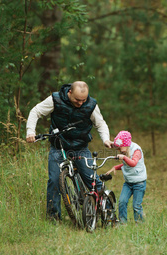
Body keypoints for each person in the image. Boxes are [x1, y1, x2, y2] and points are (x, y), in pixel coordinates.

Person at [26, 81, 113, 221]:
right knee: (54, 180)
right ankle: (53, 218)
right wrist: (31, 132)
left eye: (83, 100)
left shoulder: (91, 104)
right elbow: (35, 112)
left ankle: (108, 213)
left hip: (80, 147)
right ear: (70, 92)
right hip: (58, 146)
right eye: (77, 100)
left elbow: (100, 123)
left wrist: (106, 139)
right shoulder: (56, 99)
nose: (80, 103)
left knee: (93, 179)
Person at [106, 131, 147, 224]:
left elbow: (133, 163)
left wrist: (124, 158)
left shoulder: (136, 150)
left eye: (120, 148)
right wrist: (115, 167)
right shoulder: (125, 150)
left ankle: (140, 224)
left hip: (139, 183)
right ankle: (122, 223)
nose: (119, 150)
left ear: (126, 144)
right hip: (128, 183)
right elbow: (126, 165)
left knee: (136, 205)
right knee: (122, 202)